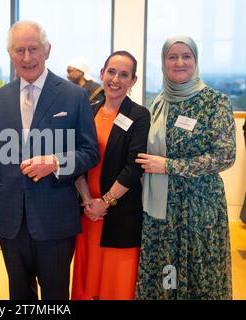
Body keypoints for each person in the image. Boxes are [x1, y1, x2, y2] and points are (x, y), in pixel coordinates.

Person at [0, 20, 99, 300]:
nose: (27, 58)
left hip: (55, 217)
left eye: (33, 49)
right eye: (19, 50)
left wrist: (56, 162)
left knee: (56, 294)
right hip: (10, 218)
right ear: (10, 53)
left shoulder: (74, 96)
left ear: (47, 50)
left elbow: (89, 152)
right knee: (19, 293)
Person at [135, 36, 236, 300]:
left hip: (199, 208)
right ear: (163, 62)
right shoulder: (158, 102)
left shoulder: (216, 102)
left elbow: (225, 156)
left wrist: (169, 166)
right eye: (172, 57)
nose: (179, 62)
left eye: (186, 56)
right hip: (162, 209)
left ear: (195, 60)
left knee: (198, 270)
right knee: (168, 271)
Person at [72, 51, 150, 300]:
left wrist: (104, 203)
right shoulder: (88, 111)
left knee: (115, 285)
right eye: (111, 72)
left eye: (124, 74)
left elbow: (133, 166)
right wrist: (88, 201)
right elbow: (76, 159)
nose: (116, 79)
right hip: (88, 214)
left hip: (118, 212)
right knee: (88, 281)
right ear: (102, 73)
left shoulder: (138, 115)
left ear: (133, 81)